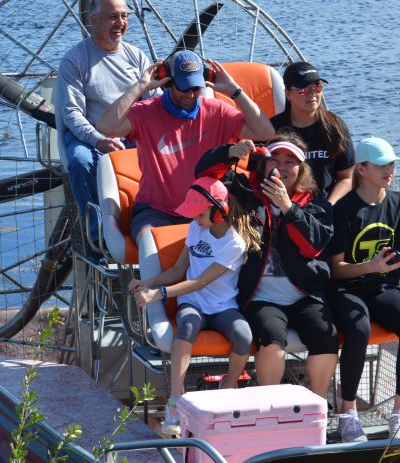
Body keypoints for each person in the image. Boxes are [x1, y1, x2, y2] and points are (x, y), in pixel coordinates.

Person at [197, 135, 338, 399]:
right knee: (272, 342)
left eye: (290, 162)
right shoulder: (245, 194)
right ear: (263, 163)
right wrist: (229, 152)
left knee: (325, 336)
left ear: (302, 170)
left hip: (305, 294)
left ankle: (318, 405)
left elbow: (311, 247)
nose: (282, 167)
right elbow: (203, 176)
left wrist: (288, 207)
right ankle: (274, 409)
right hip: (261, 298)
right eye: (276, 159)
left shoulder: (317, 205)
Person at [96, 50, 276, 243]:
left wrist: (234, 89)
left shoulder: (218, 111)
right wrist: (140, 87)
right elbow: (106, 126)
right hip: (156, 212)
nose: (190, 95)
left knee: (239, 242)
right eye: (184, 88)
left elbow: (265, 132)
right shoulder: (145, 112)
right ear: (167, 82)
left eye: (196, 88)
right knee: (149, 243)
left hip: (206, 210)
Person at [128, 177, 258, 436]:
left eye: (199, 214)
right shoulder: (195, 229)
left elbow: (199, 281)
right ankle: (176, 399)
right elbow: (178, 270)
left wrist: (159, 294)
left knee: (244, 337)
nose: (196, 219)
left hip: (223, 307)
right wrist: (148, 281)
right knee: (185, 327)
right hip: (193, 304)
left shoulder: (235, 244)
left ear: (220, 211)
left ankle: (228, 388)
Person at [327, 136, 400, 442]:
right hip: (348, 288)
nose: (390, 170)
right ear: (361, 169)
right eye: (382, 165)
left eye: (393, 164)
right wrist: (370, 267)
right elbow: (335, 269)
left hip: (383, 286)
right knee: (358, 329)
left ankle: (398, 412)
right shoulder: (344, 209)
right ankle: (348, 414)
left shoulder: (398, 202)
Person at [57, 0, 151, 245]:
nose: (120, 23)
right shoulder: (75, 60)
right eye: (113, 17)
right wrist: (98, 139)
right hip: (90, 137)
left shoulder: (137, 57)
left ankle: (148, 227)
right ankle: (99, 238)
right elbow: (71, 113)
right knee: (79, 160)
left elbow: (151, 104)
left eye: (124, 16)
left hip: (130, 134)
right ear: (94, 20)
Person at [270, 61, 354, 204]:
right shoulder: (273, 129)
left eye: (317, 86)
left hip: (325, 207)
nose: (312, 93)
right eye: (303, 89)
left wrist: (329, 205)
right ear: (288, 93)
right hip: (283, 206)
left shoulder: (335, 126)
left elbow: (347, 177)